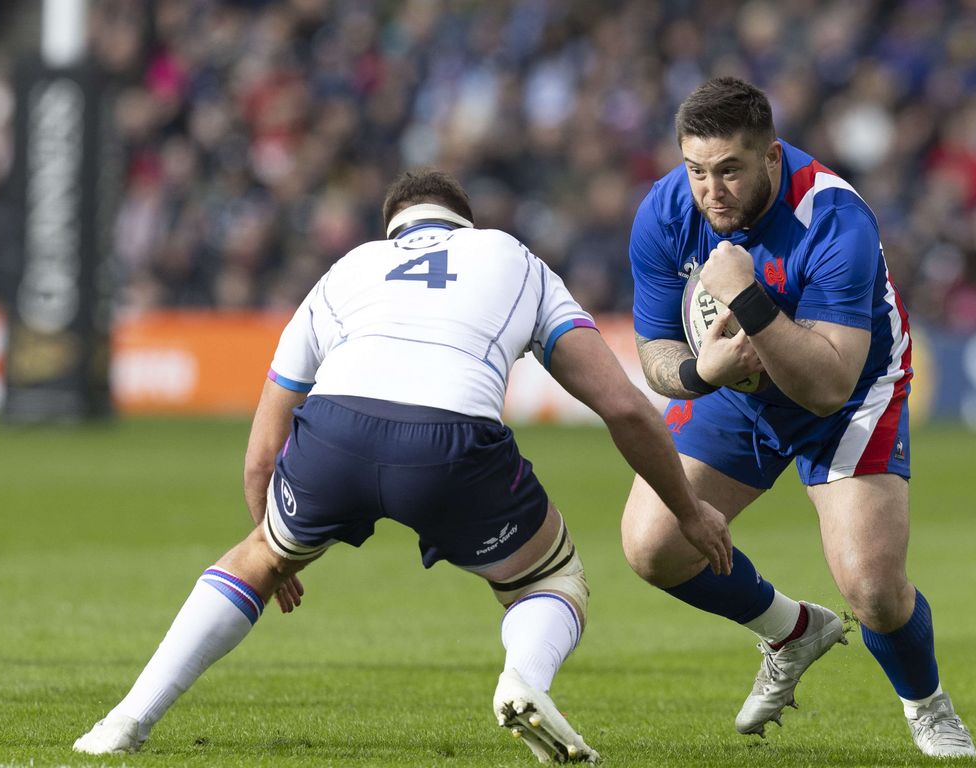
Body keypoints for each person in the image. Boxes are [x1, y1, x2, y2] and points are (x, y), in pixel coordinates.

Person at [73, 169, 733, 763]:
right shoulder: (513, 258)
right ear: (463, 222)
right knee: (549, 579)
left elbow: (261, 453)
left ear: (394, 227)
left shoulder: (349, 269)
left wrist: (278, 553)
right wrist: (687, 510)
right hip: (452, 441)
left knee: (250, 558)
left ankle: (127, 719)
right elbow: (623, 408)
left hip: (335, 433)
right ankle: (522, 681)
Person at [621, 76, 976, 759]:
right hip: (739, 388)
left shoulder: (836, 218)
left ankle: (926, 703)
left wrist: (748, 299)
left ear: (772, 158)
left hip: (851, 395)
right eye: (697, 170)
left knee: (872, 589)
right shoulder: (665, 210)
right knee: (651, 545)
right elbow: (657, 351)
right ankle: (792, 630)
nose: (710, 191)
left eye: (729, 170)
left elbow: (828, 385)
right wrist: (702, 375)